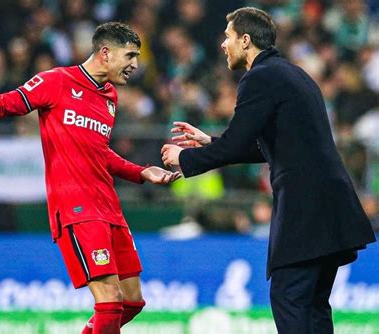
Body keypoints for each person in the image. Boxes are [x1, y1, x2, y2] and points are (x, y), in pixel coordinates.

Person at [0, 22, 180, 334]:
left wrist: (140, 171)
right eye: (130, 56)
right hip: (77, 208)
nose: (136, 65)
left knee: (132, 302)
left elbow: (99, 152)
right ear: (106, 53)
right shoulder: (56, 81)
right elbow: (5, 105)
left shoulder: (109, 97)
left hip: (109, 206)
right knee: (109, 302)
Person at [161, 7, 376, 334]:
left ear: (246, 41)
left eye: (228, 36)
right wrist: (210, 142)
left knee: (289, 296)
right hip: (331, 206)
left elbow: (236, 145)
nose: (223, 44)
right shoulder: (294, 74)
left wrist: (185, 159)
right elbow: (271, 143)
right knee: (313, 305)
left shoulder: (259, 78)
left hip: (305, 208)